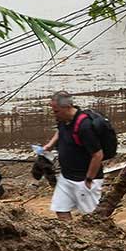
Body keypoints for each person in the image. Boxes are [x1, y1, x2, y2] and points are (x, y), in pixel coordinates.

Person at [41, 91, 105, 219]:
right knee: (60, 209)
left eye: (56, 111)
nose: (54, 115)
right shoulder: (63, 120)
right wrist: (50, 146)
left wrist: (89, 179)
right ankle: (71, 236)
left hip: (84, 179)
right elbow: (60, 131)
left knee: (92, 218)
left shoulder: (84, 126)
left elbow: (98, 155)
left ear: (67, 107)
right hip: (66, 177)